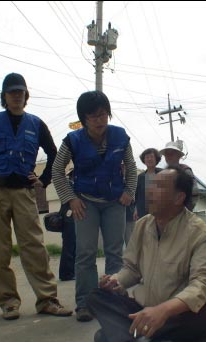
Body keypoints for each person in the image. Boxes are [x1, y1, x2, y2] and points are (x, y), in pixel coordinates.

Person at [86, 166, 206, 342]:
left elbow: (204, 283)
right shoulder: (142, 225)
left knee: (204, 318)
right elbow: (131, 269)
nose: (149, 191)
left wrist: (164, 310)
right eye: (151, 185)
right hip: (141, 308)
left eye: (159, 187)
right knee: (95, 297)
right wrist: (115, 281)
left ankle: (122, 334)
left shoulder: (200, 234)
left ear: (178, 198)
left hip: (174, 314)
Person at [0, 72, 72, 320]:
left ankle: (47, 299)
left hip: (24, 193)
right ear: (4, 97)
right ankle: (8, 302)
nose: (17, 96)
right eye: (12, 92)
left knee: (34, 246)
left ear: (26, 96)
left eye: (21, 92)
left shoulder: (36, 124)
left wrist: (44, 179)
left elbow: (54, 154)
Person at [52, 90, 137, 322]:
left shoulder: (121, 137)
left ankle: (114, 301)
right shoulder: (72, 140)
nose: (99, 120)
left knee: (114, 253)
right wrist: (71, 198)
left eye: (103, 115)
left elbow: (131, 165)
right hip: (85, 203)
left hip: (114, 203)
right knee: (85, 254)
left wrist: (129, 192)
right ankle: (85, 304)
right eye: (93, 116)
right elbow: (56, 172)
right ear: (83, 118)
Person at [159, 140, 198, 211]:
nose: (169, 156)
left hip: (182, 212)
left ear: (178, 156)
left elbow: (194, 192)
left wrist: (187, 209)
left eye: (172, 154)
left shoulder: (186, 170)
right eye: (167, 154)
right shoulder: (163, 173)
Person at [133, 148, 162, 220]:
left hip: (160, 211)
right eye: (147, 157)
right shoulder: (140, 177)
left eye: (152, 157)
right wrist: (135, 210)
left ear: (156, 159)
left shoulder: (163, 173)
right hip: (143, 212)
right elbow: (136, 196)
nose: (149, 159)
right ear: (144, 160)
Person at [58, 164, 76, 281]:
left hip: (71, 218)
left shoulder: (71, 185)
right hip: (69, 219)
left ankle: (69, 272)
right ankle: (66, 274)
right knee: (69, 247)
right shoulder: (69, 186)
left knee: (72, 247)